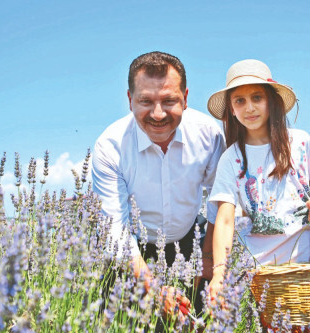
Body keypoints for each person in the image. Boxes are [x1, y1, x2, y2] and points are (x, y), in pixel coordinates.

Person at [205, 59, 310, 333]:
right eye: (239, 101)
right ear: (231, 109)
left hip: (307, 251)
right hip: (264, 263)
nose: (249, 108)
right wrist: (219, 272)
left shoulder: (300, 142)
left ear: (271, 102)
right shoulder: (231, 159)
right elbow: (225, 220)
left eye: (257, 98)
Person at [92, 51, 226, 316]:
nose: (157, 113)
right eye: (146, 101)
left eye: (169, 101)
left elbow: (220, 201)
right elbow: (115, 230)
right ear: (130, 100)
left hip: (191, 241)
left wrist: (209, 259)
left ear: (185, 98)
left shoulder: (208, 135)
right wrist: (153, 288)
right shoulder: (110, 146)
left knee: (200, 332)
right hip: (132, 247)